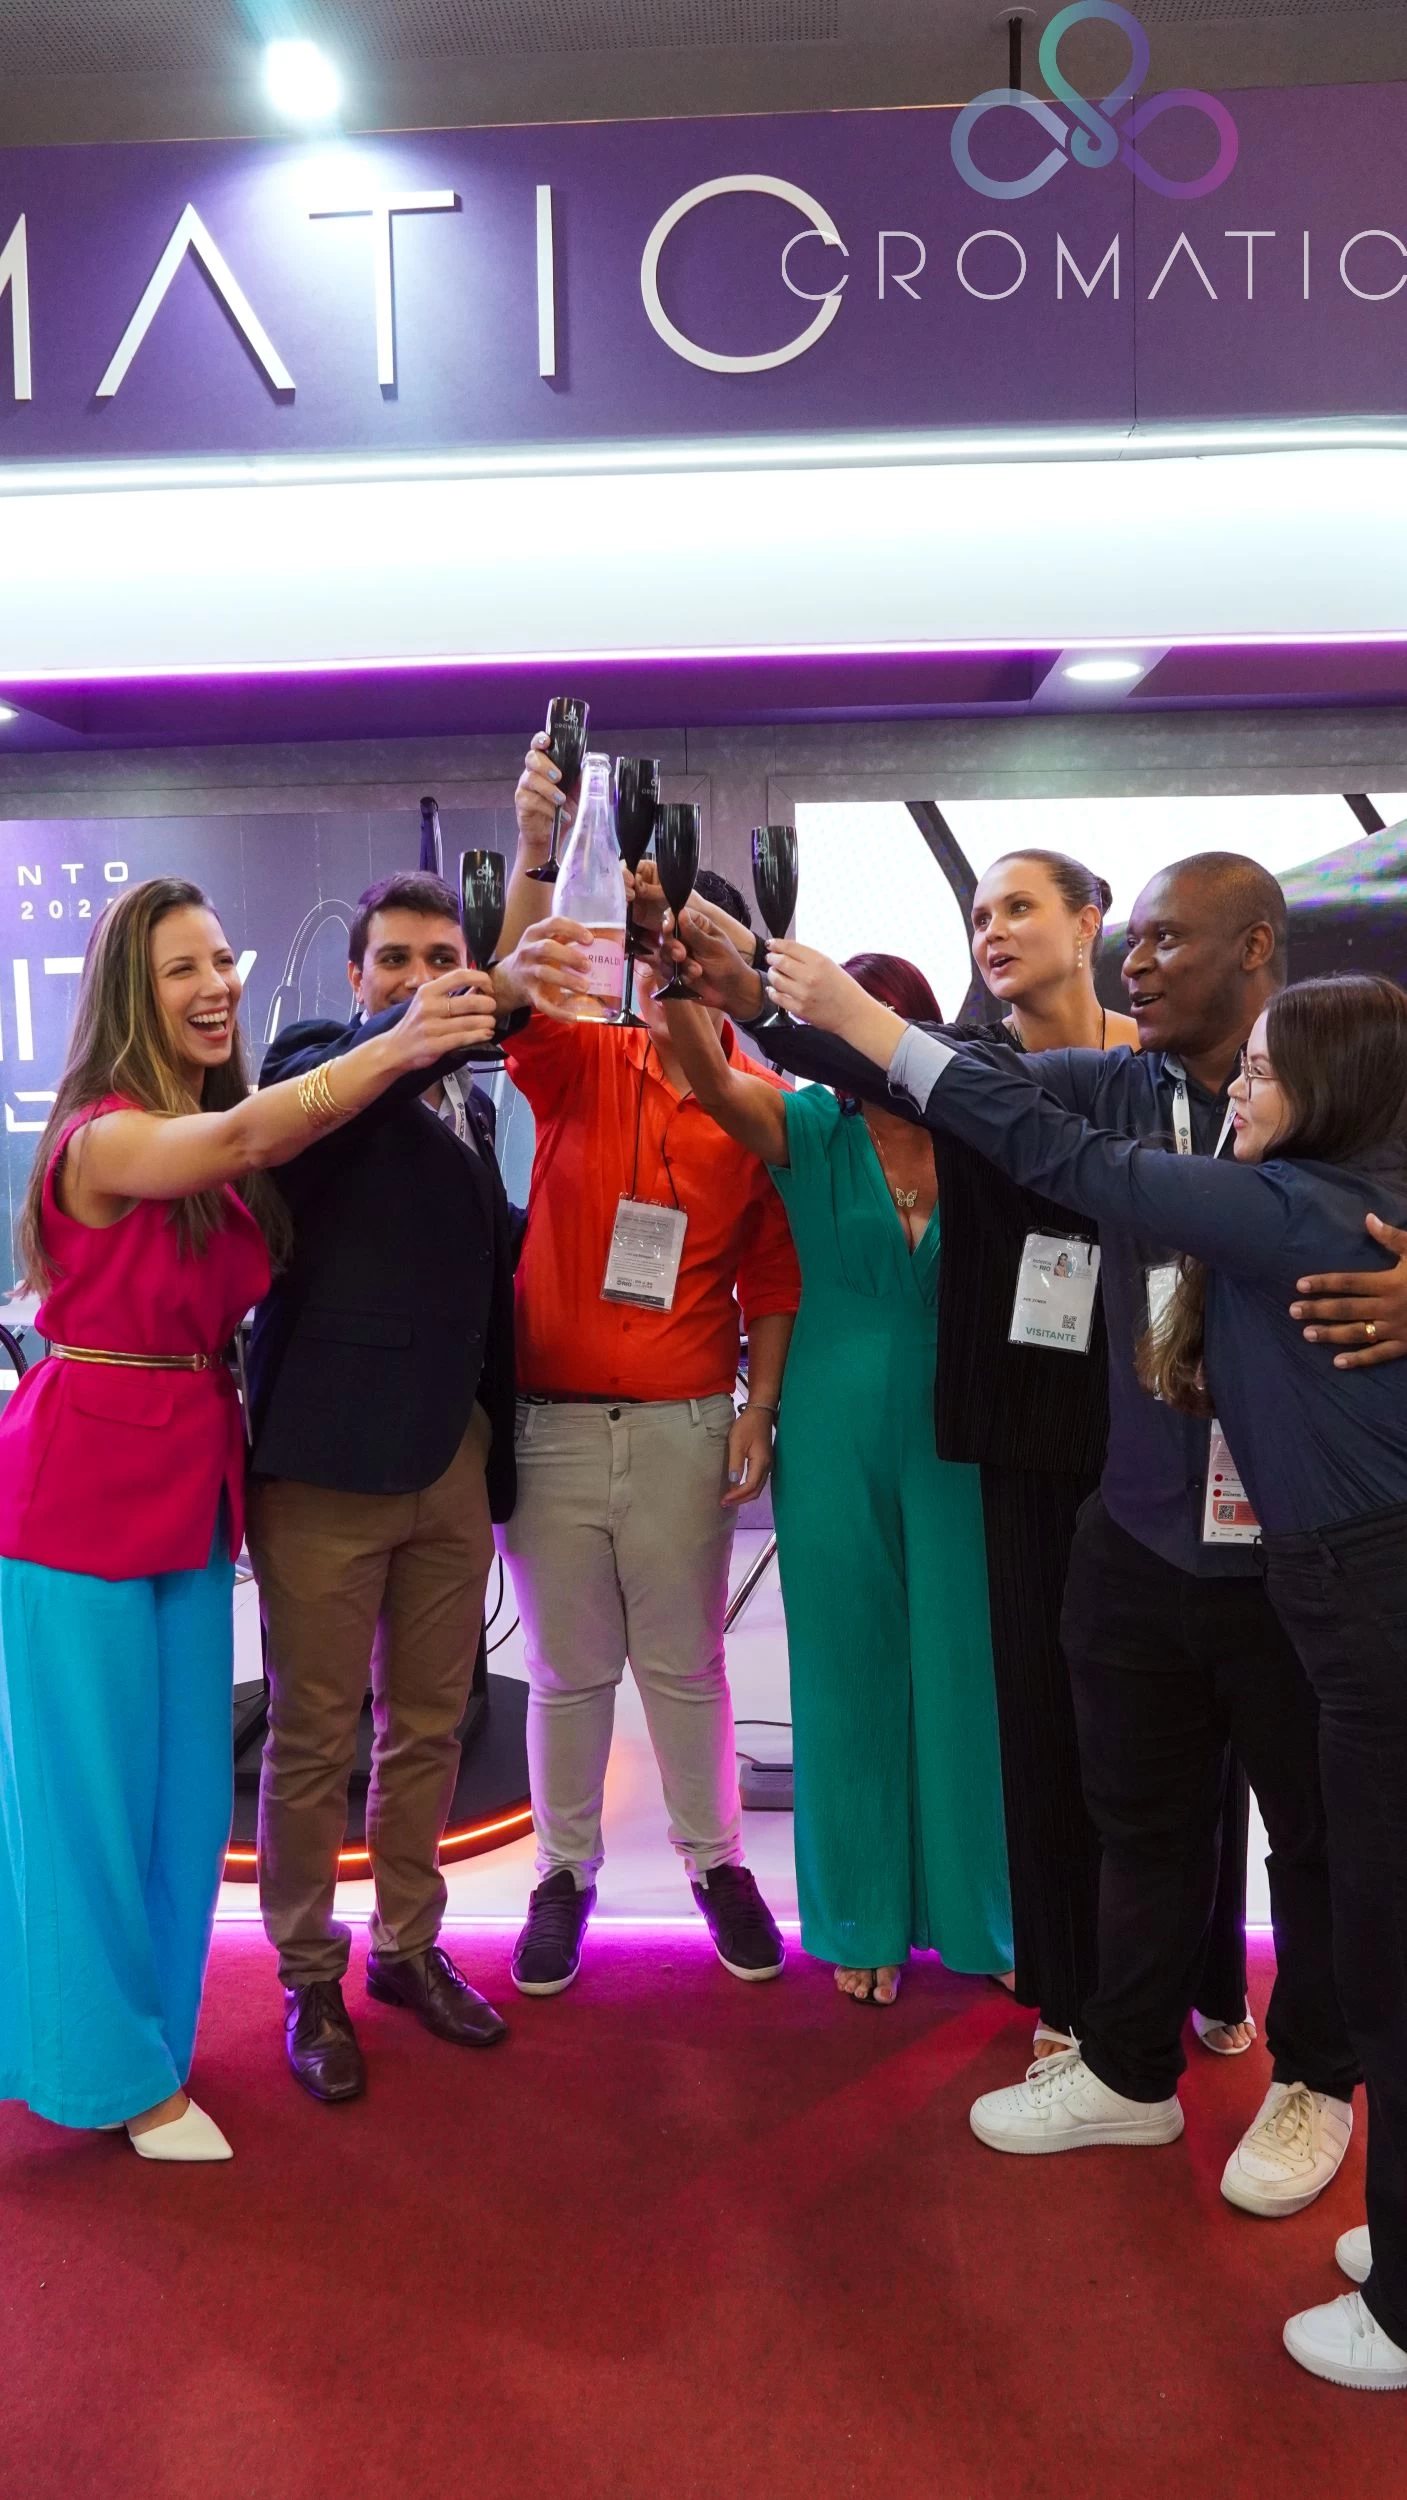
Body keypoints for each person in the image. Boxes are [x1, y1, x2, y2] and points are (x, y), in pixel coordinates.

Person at [674, 853, 1381, 2226]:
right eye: (1138, 942)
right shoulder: (1111, 1088)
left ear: (1255, 951)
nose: (1140, 964)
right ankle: (1126, 2063)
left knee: (1311, 1834)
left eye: (1168, 940)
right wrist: (756, 1001)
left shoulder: (1340, 1080)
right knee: (1133, 1808)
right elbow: (920, 1078)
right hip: (1137, 1520)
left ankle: (1313, 2075)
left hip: (1295, 1534)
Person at [771, 955, 1407, 2394]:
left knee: (1371, 1931)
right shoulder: (1315, 1182)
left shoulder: (1285, 1202)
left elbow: (1055, 1155)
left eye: (1268, 1069)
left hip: (1353, 1597)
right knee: (1239, 1857)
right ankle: (1148, 2078)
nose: (1239, 1085)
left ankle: (1386, 2243)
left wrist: (850, 1010)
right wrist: (783, 1014)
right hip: (1243, 1566)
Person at [651, 848, 1251, 2059]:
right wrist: (709, 980)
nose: (996, 930)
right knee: (908, 1674)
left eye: (1019, 907)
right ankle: (903, 1921)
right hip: (918, 1422)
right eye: (982, 912)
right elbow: (746, 1072)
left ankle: (1085, 1938)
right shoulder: (883, 1105)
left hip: (1080, 1424)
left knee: (1041, 1686)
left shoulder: (1076, 1083)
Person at [0, 877, 494, 2160]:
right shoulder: (105, 1136)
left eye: (223, 958)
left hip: (186, 1484)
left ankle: (148, 2047)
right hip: (82, 1490)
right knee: (90, 1804)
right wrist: (400, 1040)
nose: (217, 983)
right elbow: (249, 1139)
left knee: (173, 1805)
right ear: (130, 991)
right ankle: (113, 2075)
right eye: (183, 968)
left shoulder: (197, 1125)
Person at [484, 747, 800, 1996]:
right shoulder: (582, 1055)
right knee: (567, 1672)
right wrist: (534, 850)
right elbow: (514, 990)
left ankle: (717, 1862)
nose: (672, 960)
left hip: (683, 1421)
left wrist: (757, 1407)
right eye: (658, 937)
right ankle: (563, 1872)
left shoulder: (757, 1098)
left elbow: (772, 1273)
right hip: (552, 1419)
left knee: (686, 1664)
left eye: (692, 944)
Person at [660, 953, 1011, 2006]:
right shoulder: (808, 1128)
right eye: (848, 1015)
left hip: (967, 1426)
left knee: (967, 1666)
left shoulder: (982, 1127)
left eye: (887, 1014)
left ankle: (985, 1918)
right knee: (846, 1666)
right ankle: (861, 1915)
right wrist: (677, 972)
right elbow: (712, 1077)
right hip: (831, 1426)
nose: (866, 1032)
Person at [246, 872, 518, 2104]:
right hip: (327, 1464)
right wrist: (409, 1035)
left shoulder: (471, 1105)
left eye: (442, 957)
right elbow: (345, 1087)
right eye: (394, 959)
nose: (418, 978)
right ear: (356, 977)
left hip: (449, 1460)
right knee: (313, 1735)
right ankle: (308, 1976)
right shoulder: (315, 1066)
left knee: (430, 1725)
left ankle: (408, 1946)